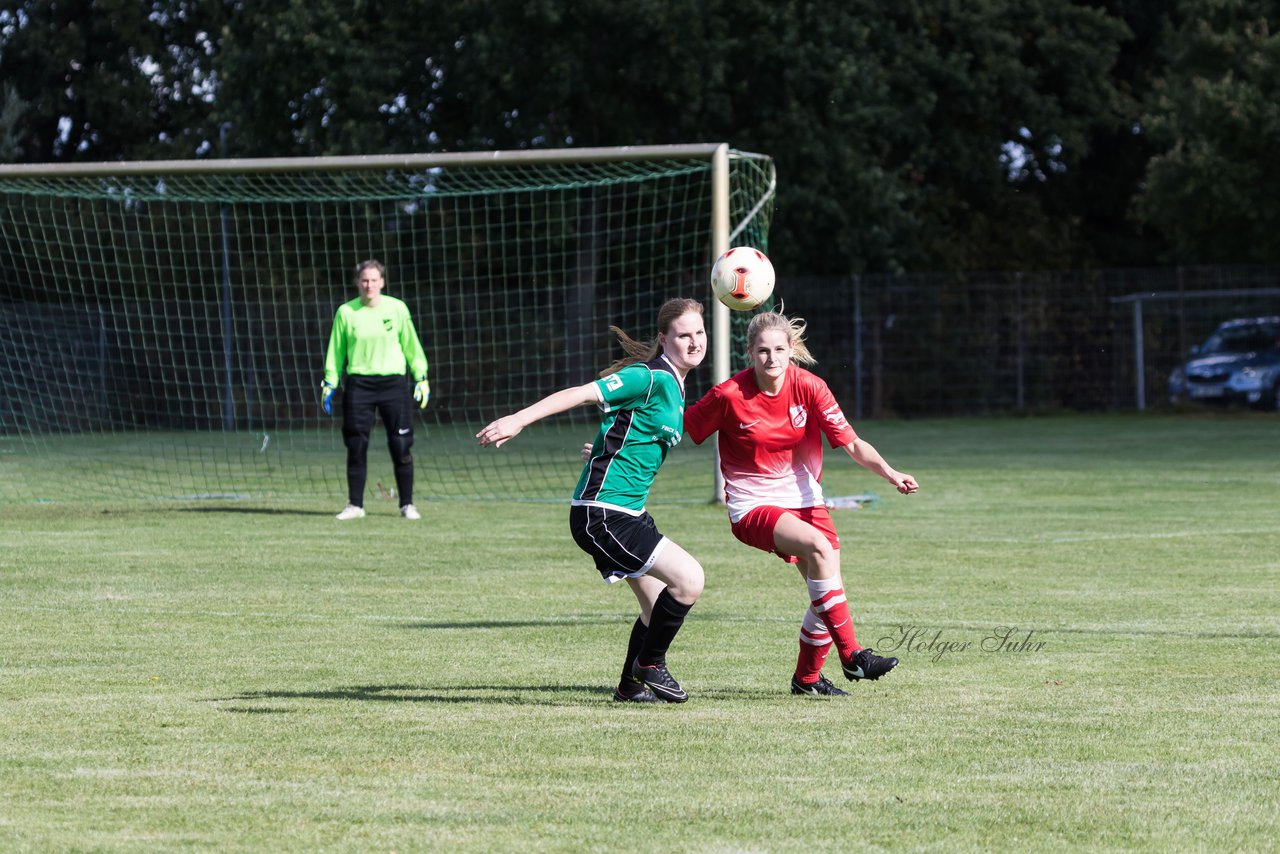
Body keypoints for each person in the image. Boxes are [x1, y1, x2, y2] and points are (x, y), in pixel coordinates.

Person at [477, 298, 707, 703]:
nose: (694, 341)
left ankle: (629, 687)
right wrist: (519, 420)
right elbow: (582, 393)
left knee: (656, 609)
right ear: (663, 340)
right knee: (690, 580)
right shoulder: (649, 376)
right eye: (683, 335)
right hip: (603, 515)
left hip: (626, 513)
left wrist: (603, 449)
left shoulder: (676, 384)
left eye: (699, 333)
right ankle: (650, 665)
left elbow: (629, 432)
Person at [683, 309, 918, 697]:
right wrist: (621, 447)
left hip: (807, 502)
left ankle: (806, 680)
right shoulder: (728, 395)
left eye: (778, 349)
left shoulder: (810, 387)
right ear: (749, 353)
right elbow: (677, 429)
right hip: (752, 506)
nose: (771, 358)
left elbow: (853, 444)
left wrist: (891, 473)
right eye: (762, 351)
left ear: (791, 349)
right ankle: (853, 656)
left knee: (826, 592)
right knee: (820, 550)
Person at [321, 259, 431, 521]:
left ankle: (407, 504)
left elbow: (412, 346)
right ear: (358, 282)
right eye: (364, 280)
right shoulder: (346, 312)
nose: (369, 284)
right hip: (359, 384)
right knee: (356, 445)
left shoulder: (397, 309)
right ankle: (355, 505)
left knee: (401, 444)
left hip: (394, 383)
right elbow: (335, 352)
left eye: (373, 280)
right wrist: (330, 382)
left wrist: (421, 377)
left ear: (382, 282)